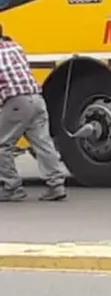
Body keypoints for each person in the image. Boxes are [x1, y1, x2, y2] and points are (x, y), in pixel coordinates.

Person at [0, 27, 68, 201]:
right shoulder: (15, 46)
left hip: (17, 102)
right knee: (43, 143)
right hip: (37, 99)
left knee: (2, 145)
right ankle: (56, 185)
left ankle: (11, 187)